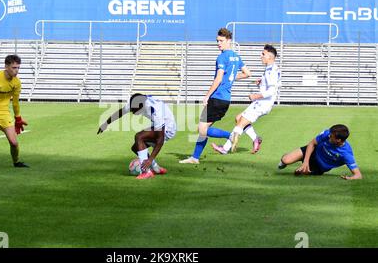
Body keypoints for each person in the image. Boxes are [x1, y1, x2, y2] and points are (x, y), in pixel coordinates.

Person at [179, 28, 251, 164]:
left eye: (221, 41)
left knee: (202, 129)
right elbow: (248, 73)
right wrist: (230, 79)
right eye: (217, 41)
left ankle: (229, 136)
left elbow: (218, 78)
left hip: (217, 98)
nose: (218, 43)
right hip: (225, 100)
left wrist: (207, 96)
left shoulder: (222, 57)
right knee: (202, 130)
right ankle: (195, 158)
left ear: (229, 41)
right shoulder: (236, 57)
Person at [212, 44, 281, 154]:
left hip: (262, 104)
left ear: (270, 57)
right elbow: (270, 86)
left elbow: (271, 91)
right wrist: (261, 82)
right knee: (238, 118)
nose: (261, 56)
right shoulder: (270, 68)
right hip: (261, 103)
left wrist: (255, 96)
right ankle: (255, 139)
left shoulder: (271, 71)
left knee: (240, 124)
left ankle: (225, 148)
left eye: (263, 54)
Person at [97, 93, 176, 179]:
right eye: (132, 110)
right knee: (136, 148)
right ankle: (156, 168)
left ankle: (146, 172)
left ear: (141, 106)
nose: (133, 112)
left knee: (139, 136)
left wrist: (150, 160)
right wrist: (106, 123)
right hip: (159, 126)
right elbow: (121, 112)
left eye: (135, 110)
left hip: (168, 129)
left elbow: (160, 139)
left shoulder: (155, 110)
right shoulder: (136, 102)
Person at [278, 124, 362, 180]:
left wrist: (350, 178)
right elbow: (312, 144)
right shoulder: (328, 133)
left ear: (338, 140)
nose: (329, 136)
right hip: (312, 151)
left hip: (318, 167)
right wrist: (306, 162)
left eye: (331, 136)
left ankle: (305, 168)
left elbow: (358, 175)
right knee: (286, 160)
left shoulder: (346, 154)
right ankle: (286, 158)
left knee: (297, 173)